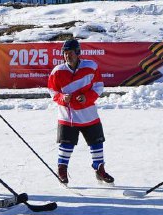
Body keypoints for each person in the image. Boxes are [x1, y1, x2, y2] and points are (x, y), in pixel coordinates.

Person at [47, 38, 113, 185]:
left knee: (97, 143)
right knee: (66, 144)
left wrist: (87, 97)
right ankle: (62, 169)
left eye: (70, 53)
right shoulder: (57, 72)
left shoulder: (91, 66)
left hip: (89, 114)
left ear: (78, 53)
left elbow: (98, 86)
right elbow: (52, 91)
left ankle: (99, 169)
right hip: (67, 116)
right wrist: (62, 98)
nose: (67, 56)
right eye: (64, 53)